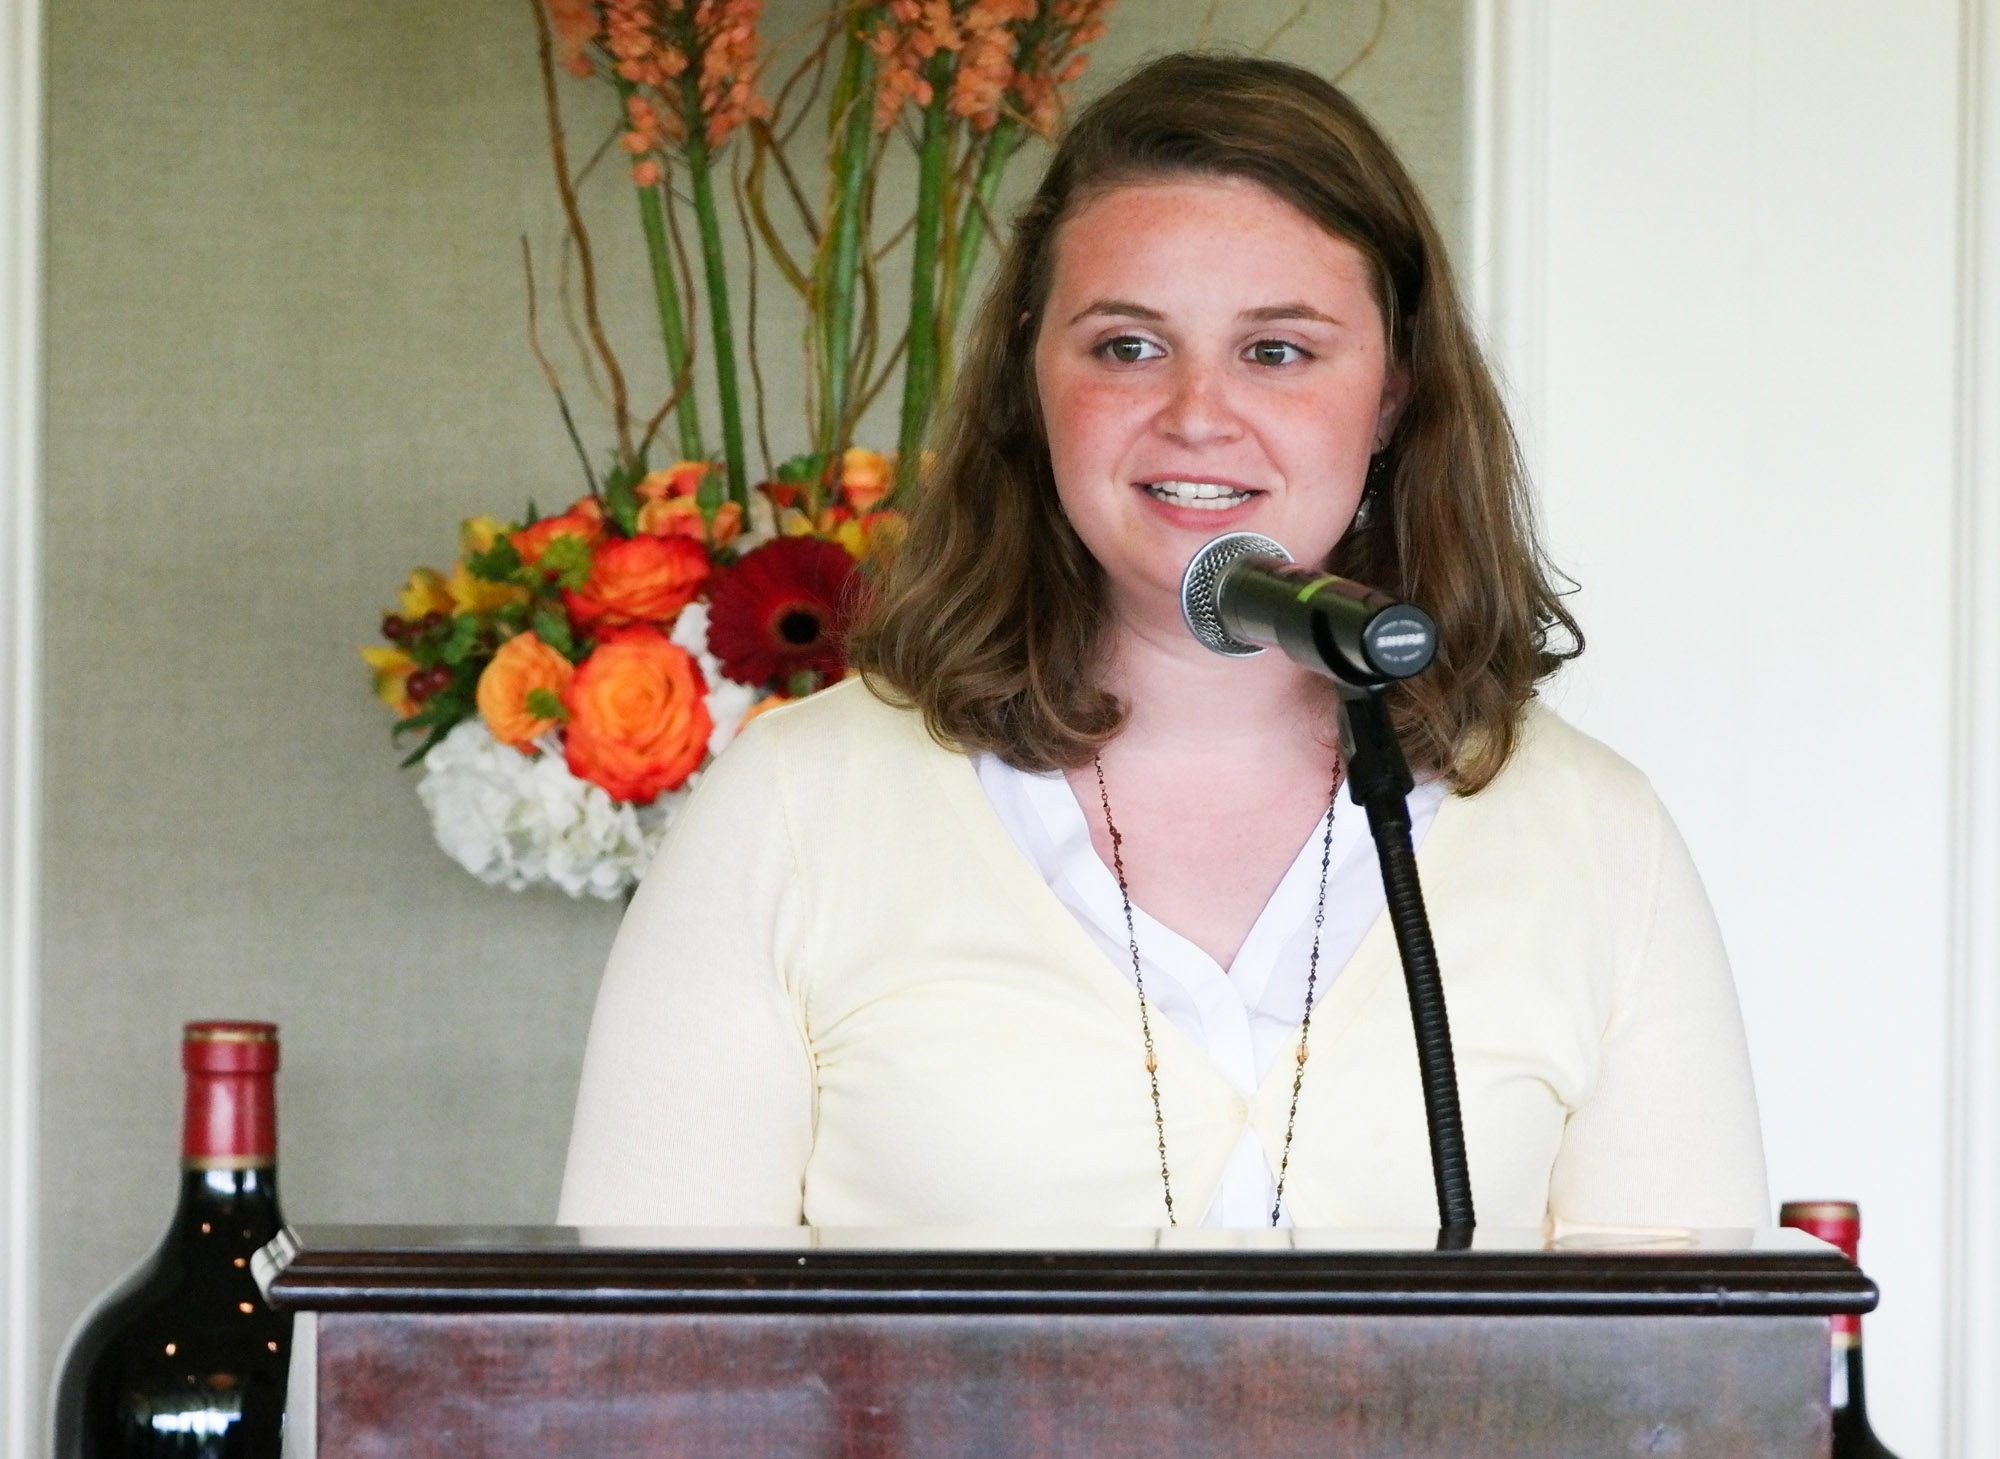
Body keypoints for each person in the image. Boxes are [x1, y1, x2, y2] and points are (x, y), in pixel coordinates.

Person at [558, 53, 1769, 1231]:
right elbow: (644, 1381)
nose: (1196, 415)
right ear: (1033, 375)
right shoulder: (789, 808)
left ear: (1392, 394)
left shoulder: (1596, 836)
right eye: (1126, 346)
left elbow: (1683, 1400)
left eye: (1275, 350)